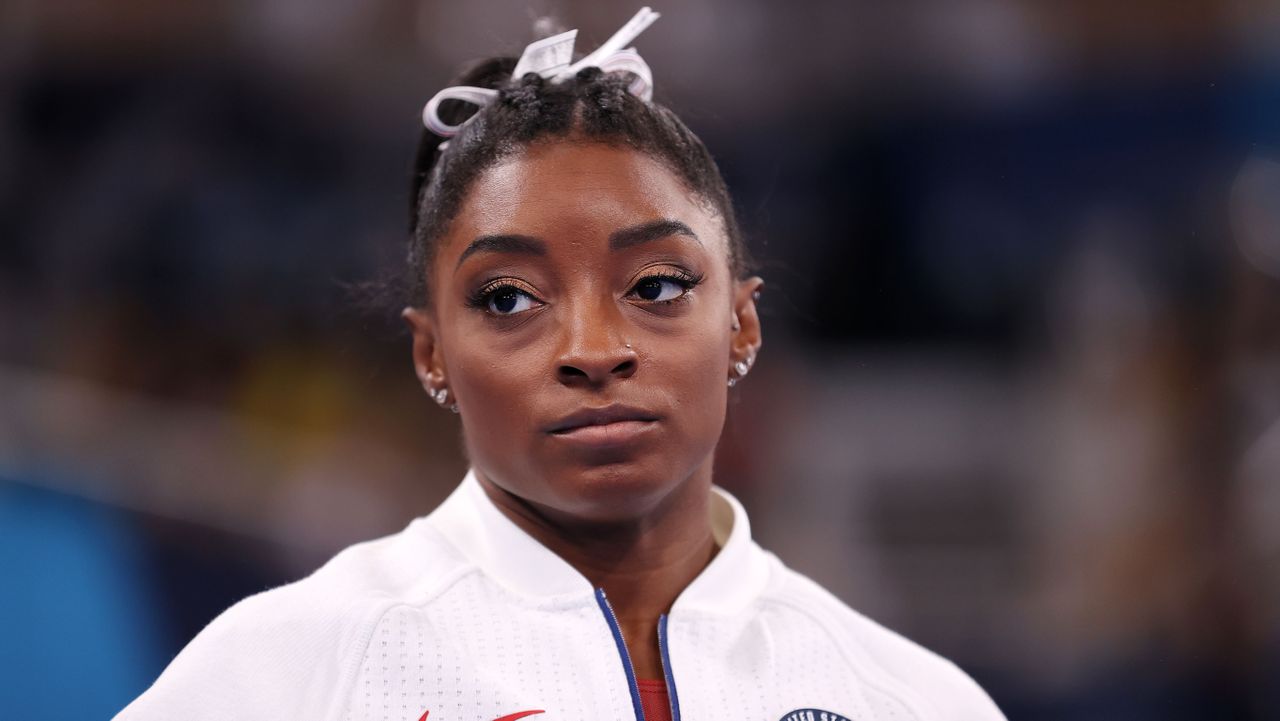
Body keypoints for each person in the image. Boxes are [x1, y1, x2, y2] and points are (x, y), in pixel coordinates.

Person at [114, 8, 1006, 721]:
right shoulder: (289, 672)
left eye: (656, 285)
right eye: (508, 299)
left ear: (740, 325)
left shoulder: (908, 699)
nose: (591, 351)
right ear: (433, 355)